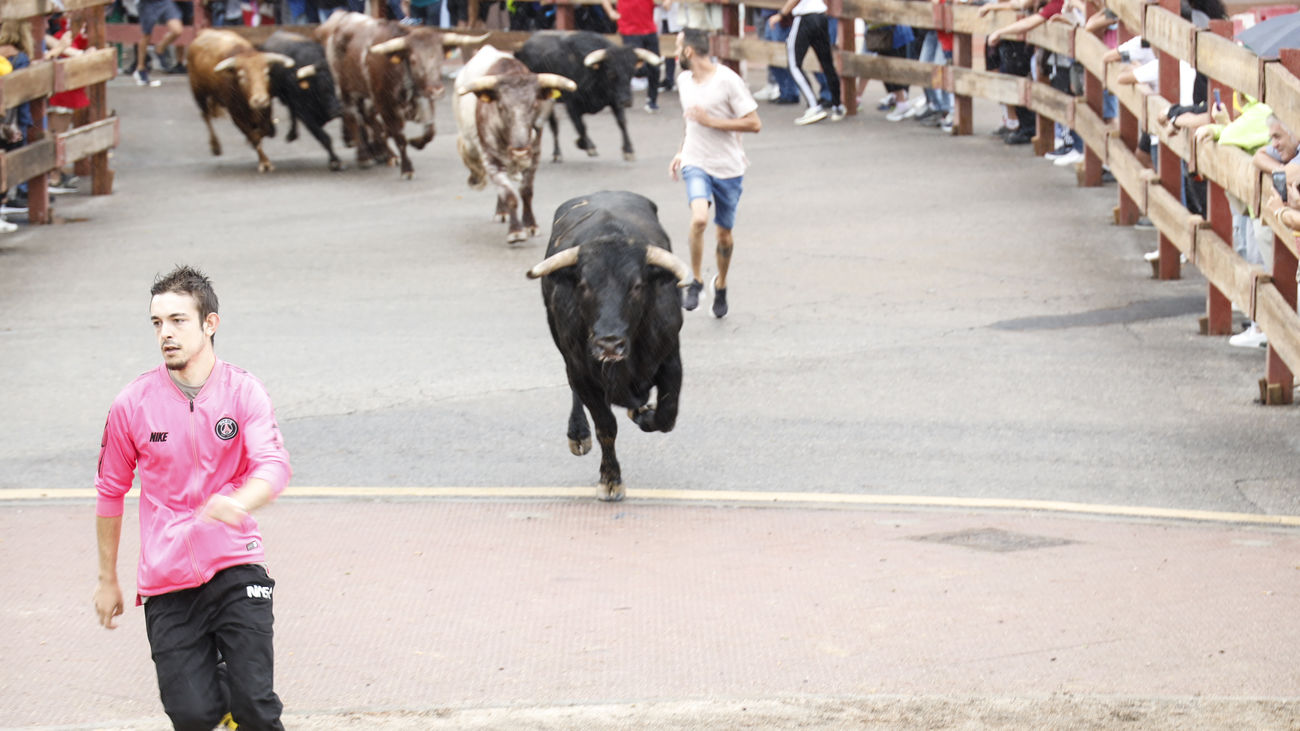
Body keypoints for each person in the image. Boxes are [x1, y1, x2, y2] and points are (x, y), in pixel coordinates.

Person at [93, 266, 292, 730]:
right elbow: (110, 491)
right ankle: (216, 689)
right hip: (166, 581)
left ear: (210, 323)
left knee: (255, 706)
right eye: (157, 323)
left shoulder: (244, 391)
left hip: (235, 564)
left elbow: (274, 466)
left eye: (178, 320)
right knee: (192, 714)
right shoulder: (132, 404)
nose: (166, 333)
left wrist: (240, 503)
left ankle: (237, 692)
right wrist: (107, 578)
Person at [669, 28, 762, 318]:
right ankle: (695, 280)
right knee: (699, 219)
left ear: (688, 52)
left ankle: (720, 284)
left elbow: (754, 123)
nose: (674, 53)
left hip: (728, 167)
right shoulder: (683, 80)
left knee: (724, 235)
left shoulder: (727, 81)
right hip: (696, 161)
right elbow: (690, 122)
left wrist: (712, 121)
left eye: (677, 47)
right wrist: (682, 150)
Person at [768, 0, 843, 124]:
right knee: (827, 63)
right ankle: (837, 105)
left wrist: (781, 14)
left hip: (805, 17)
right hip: (821, 15)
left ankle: (813, 107)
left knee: (794, 65)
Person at [599, 0, 663, 112]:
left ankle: (652, 100)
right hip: (629, 30)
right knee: (635, 69)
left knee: (655, 67)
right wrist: (610, 11)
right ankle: (621, 96)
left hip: (649, 28)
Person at [135, 0, 184, 86]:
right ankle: (140, 68)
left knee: (177, 30)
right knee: (146, 35)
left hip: (165, 2)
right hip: (147, 3)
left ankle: (160, 48)